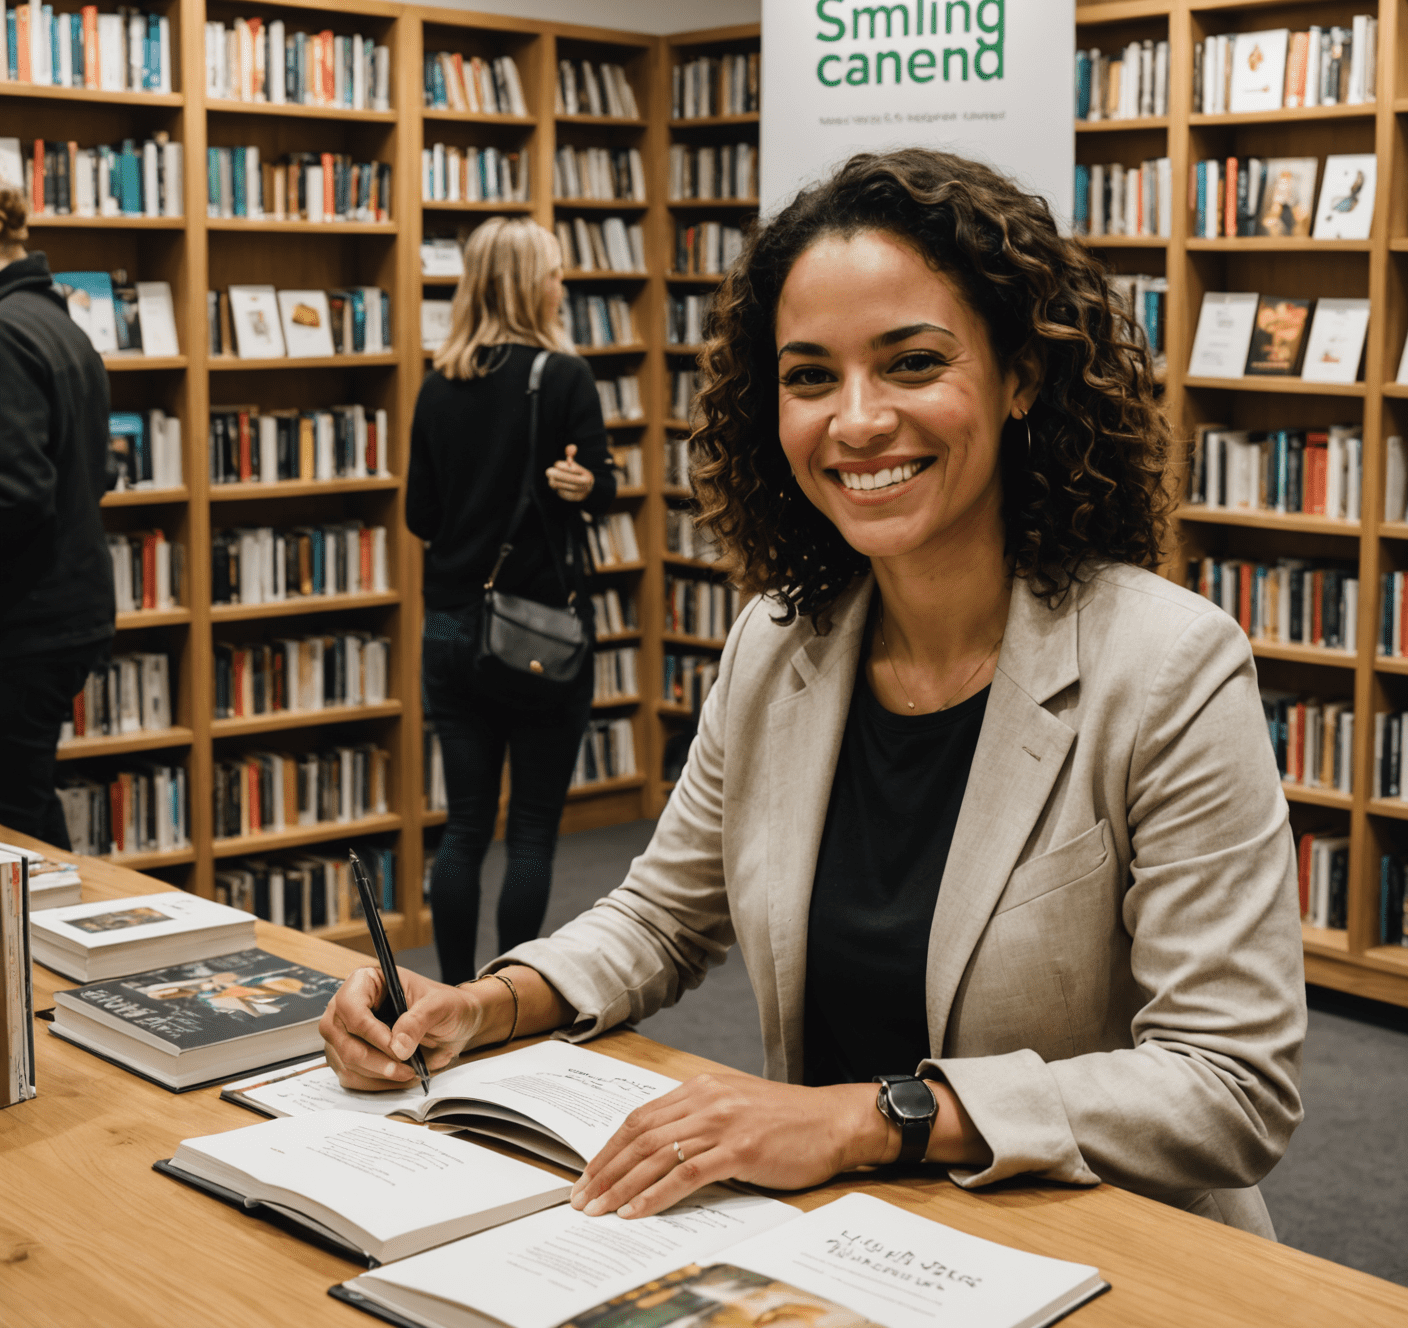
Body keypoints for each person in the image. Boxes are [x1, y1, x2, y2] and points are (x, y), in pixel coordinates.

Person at [324, 150, 1306, 1239]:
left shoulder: (1166, 665)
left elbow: (1228, 1086)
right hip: (840, 1238)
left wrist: (871, 1118)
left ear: (1021, 377)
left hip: (1108, 1253)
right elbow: (661, 914)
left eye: (912, 363)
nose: (855, 421)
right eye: (808, 376)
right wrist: (484, 1004)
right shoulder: (778, 642)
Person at [407, 217, 616, 986]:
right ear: (530, 284)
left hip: (452, 627)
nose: (562, 283)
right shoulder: (563, 376)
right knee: (530, 830)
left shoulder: (437, 384)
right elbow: (606, 486)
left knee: (463, 826)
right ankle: (499, 996)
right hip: (540, 630)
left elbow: (419, 518)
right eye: (554, 271)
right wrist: (581, 486)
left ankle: (451, 990)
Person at [0, 186, 116, 847]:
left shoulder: (5, 331)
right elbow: (96, 469)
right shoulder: (55, 320)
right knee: (27, 806)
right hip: (64, 609)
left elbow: (15, 493)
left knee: (12, 827)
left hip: (26, 620)